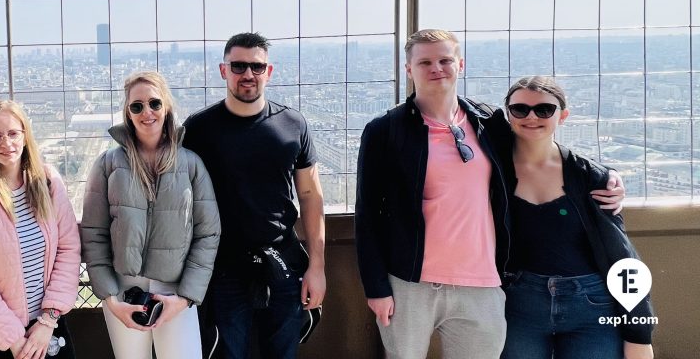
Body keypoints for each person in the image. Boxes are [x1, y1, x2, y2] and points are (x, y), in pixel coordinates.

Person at [354, 29, 625, 359]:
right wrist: (377, 288)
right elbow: (367, 214)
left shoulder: (488, 122)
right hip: (410, 284)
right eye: (424, 61)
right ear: (408, 69)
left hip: (481, 283)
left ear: (461, 65)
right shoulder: (385, 130)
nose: (436, 68)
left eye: (445, 60)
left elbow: (537, 146)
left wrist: (605, 176)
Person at [181, 32, 326, 359]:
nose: (248, 74)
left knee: (283, 353)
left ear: (269, 71)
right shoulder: (199, 129)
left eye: (257, 67)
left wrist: (317, 266)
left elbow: (311, 195)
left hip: (283, 261)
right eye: (239, 66)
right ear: (223, 70)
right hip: (223, 267)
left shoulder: (293, 125)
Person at [500, 76, 654, 359]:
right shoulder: (492, 170)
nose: (531, 116)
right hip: (518, 306)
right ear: (507, 114)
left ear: (563, 116)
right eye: (520, 109)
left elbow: (620, 255)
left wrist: (639, 333)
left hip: (592, 306)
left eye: (544, 109)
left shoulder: (590, 177)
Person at [81, 71, 221, 359]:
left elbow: (208, 233)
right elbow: (93, 234)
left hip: (175, 291)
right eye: (137, 106)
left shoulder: (191, 165)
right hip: (124, 293)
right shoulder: (107, 165)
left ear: (166, 107)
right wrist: (110, 298)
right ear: (128, 113)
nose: (147, 112)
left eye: (154, 103)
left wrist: (184, 298)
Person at [0, 100, 81, 359]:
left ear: (25, 135)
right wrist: (13, 339)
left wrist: (47, 321)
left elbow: (68, 250)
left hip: (48, 329)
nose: (6, 143)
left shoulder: (48, 182)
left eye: (13, 133)